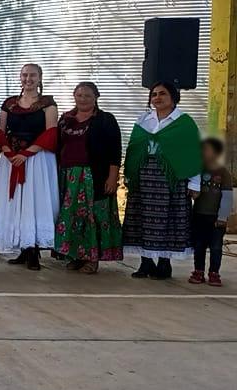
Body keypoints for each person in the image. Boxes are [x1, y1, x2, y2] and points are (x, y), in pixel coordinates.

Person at [123, 81, 202, 280]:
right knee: (142, 220)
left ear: (173, 97)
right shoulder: (143, 120)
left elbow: (193, 154)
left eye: (162, 94)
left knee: (168, 221)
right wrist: (130, 175)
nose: (157, 97)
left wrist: (194, 183)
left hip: (171, 179)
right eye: (154, 94)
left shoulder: (184, 122)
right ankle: (146, 263)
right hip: (144, 177)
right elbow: (133, 149)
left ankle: (164, 264)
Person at [0, 63, 59, 271]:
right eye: (25, 75)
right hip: (12, 159)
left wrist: (27, 153)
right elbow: (1, 130)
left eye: (33, 75)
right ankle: (22, 248)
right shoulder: (9, 103)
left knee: (35, 201)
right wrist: (9, 152)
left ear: (40, 78)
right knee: (16, 201)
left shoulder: (48, 104)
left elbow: (51, 131)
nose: (28, 79)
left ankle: (34, 249)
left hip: (37, 158)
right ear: (20, 77)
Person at [54, 82, 123, 274]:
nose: (82, 99)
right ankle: (75, 255)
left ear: (96, 97)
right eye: (79, 95)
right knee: (70, 216)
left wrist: (112, 177)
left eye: (87, 96)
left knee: (91, 216)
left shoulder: (105, 120)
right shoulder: (66, 119)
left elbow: (114, 151)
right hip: (68, 175)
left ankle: (91, 258)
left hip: (92, 176)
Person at [190, 138, 232, 287]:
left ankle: (214, 273)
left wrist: (222, 217)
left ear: (216, 152)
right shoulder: (197, 171)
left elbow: (227, 197)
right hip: (199, 215)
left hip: (216, 218)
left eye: (207, 149)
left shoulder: (223, 173)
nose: (203, 153)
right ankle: (198, 271)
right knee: (199, 245)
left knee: (215, 246)